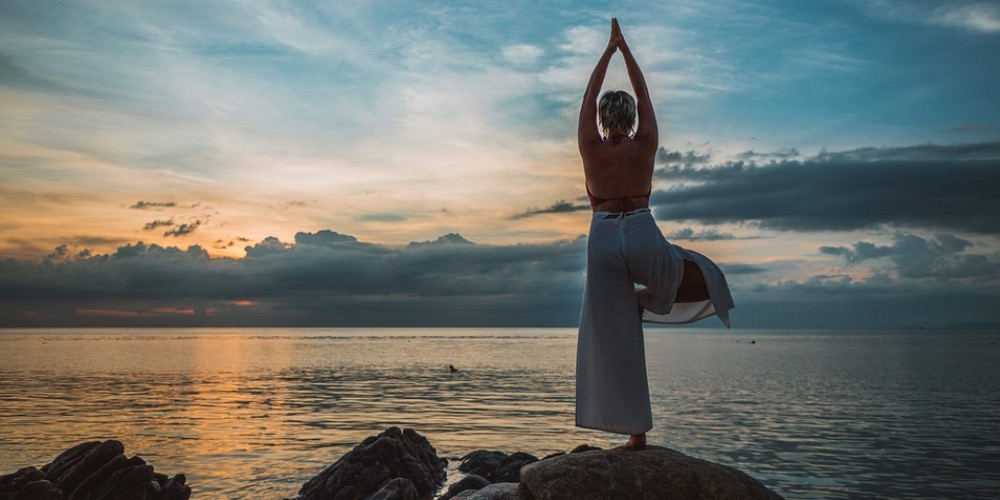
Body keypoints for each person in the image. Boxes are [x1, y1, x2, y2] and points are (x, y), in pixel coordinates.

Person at [575, 18, 735, 449]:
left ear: (602, 119)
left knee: (614, 332)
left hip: (603, 235)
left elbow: (588, 97)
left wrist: (607, 51)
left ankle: (635, 431)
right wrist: (625, 49)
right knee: (680, 273)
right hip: (641, 230)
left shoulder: (590, 147)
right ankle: (649, 302)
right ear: (631, 118)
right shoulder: (644, 143)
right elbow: (643, 94)